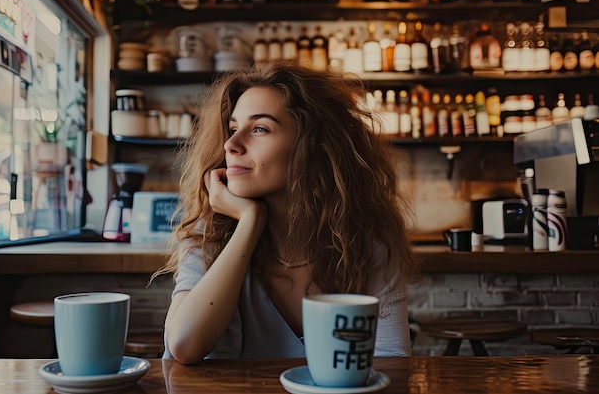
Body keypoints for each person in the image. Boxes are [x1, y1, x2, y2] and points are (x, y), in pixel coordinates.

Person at [153, 62, 417, 364]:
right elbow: (185, 345)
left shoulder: (368, 243)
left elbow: (393, 364)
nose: (231, 144)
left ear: (314, 146)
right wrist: (249, 224)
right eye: (234, 129)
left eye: (260, 129)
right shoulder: (209, 231)